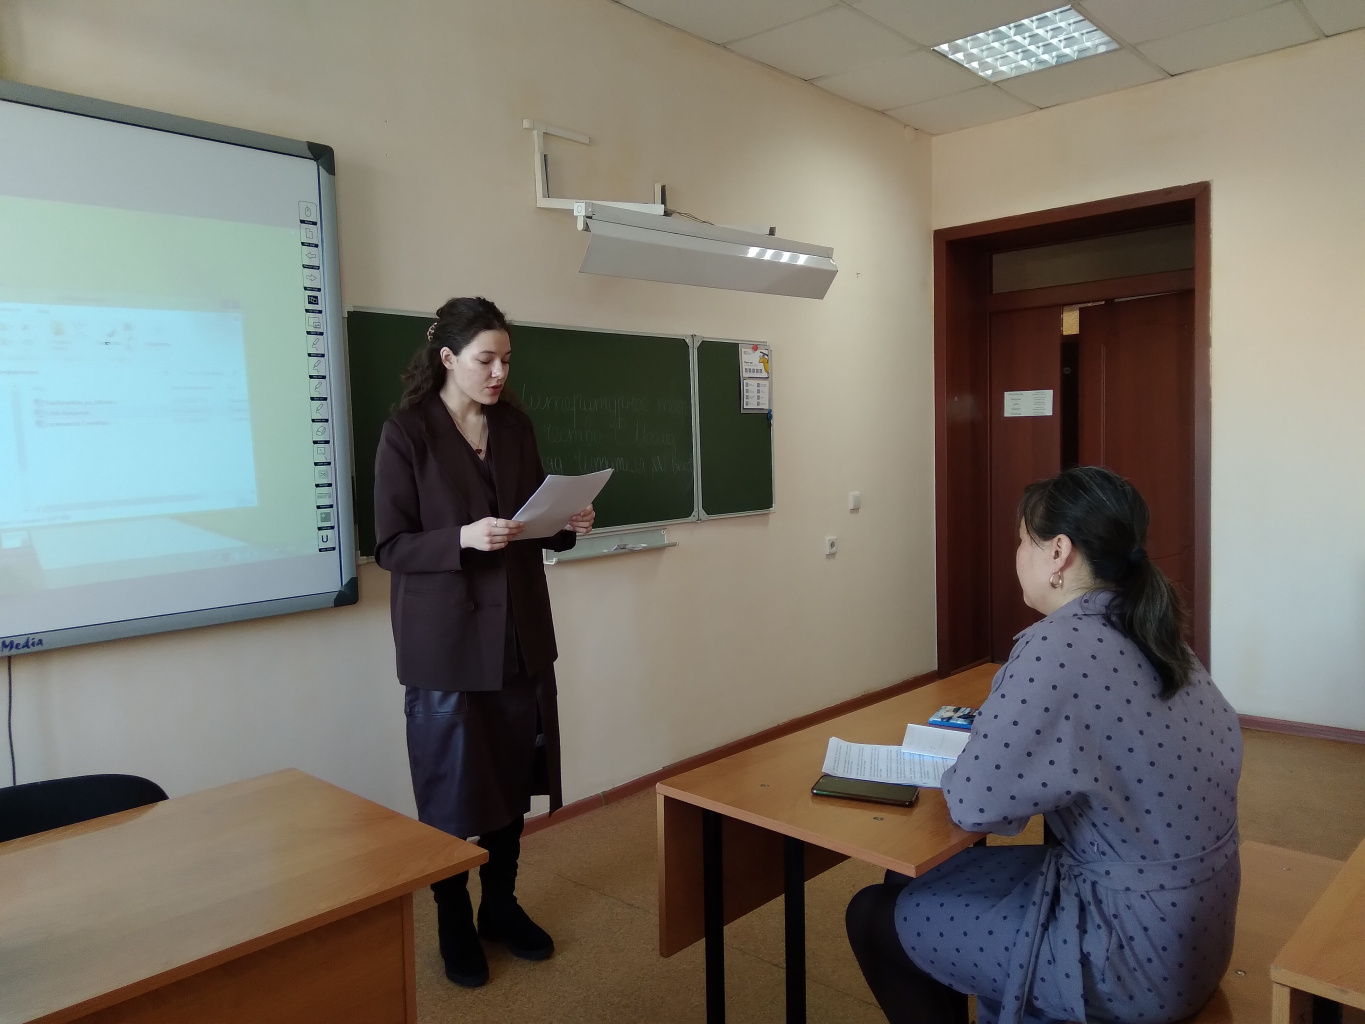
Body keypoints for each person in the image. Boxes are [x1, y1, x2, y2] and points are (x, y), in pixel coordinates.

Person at [847, 466, 1241, 1024]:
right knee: (907, 880)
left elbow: (975, 803)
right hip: (1198, 928)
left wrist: (978, 749)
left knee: (870, 915)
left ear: (1058, 552)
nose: (1016, 556)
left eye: (1021, 541)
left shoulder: (1056, 646)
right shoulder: (1154, 632)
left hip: (1131, 955)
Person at [373, 296, 594, 988]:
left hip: (518, 635)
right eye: (485, 360)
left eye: (505, 361)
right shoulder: (406, 433)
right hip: (446, 643)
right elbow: (390, 546)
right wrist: (461, 539)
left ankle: (500, 906)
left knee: (510, 781)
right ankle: (452, 920)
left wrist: (566, 523)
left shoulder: (515, 427)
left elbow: (530, 520)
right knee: (450, 793)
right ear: (448, 358)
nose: (499, 373)